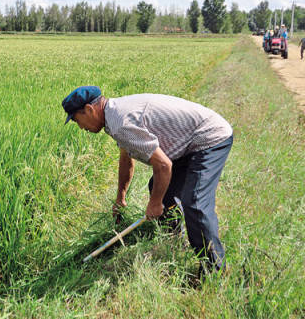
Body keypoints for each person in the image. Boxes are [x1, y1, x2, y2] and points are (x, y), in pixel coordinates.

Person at [62, 86, 233, 274]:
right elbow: (127, 158)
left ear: (89, 110)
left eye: (78, 120)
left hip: (210, 137)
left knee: (195, 203)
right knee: (159, 187)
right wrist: (121, 197)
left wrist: (155, 204)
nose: (81, 127)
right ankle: (172, 242)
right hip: (190, 142)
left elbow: (164, 166)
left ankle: (215, 272)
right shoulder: (114, 114)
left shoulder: (120, 123)